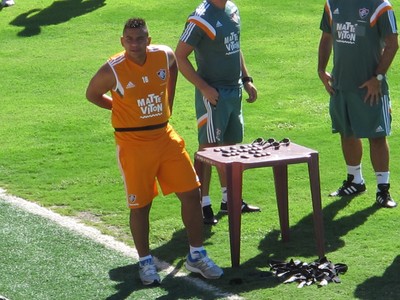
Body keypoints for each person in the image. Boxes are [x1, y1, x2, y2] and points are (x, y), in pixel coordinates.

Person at [86, 18, 223, 285]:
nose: (134, 43)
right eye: (129, 39)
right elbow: (92, 94)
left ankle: (197, 255)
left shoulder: (164, 55)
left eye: (140, 38)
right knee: (141, 206)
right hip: (133, 144)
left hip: (164, 136)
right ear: (122, 41)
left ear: (149, 40)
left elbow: (172, 67)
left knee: (192, 194)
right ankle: (145, 261)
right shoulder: (111, 70)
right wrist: (120, 108)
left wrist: (167, 103)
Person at [175, 0, 260, 225]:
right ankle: (202, 204)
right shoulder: (200, 18)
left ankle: (229, 200)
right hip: (213, 94)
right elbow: (180, 56)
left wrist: (246, 79)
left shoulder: (232, 10)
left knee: (231, 148)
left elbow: (235, 46)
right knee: (208, 149)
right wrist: (204, 88)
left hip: (234, 90)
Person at [318, 0, 398, 208]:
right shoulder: (332, 3)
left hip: (370, 87)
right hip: (341, 85)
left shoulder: (380, 6)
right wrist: (321, 69)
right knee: (347, 133)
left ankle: (383, 190)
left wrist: (378, 78)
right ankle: (355, 180)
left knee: (377, 137)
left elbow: (392, 43)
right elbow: (327, 36)